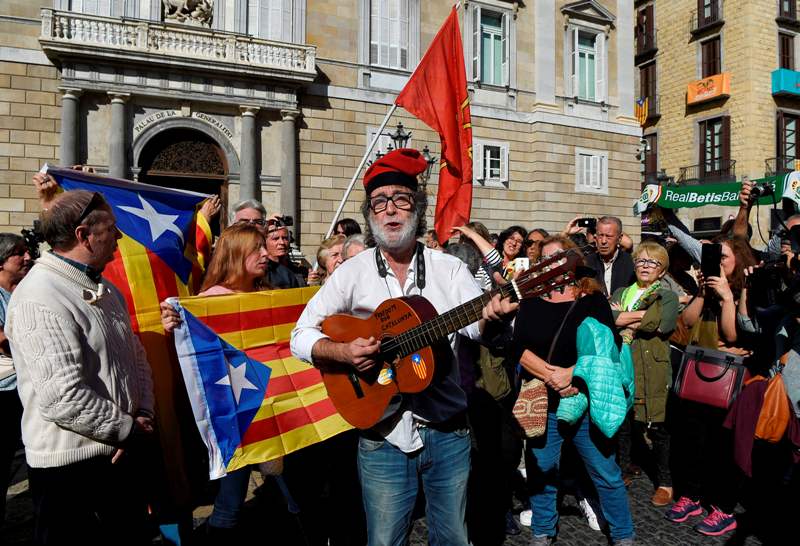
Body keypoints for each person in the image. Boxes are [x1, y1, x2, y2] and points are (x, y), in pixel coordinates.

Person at [290, 148, 516, 546]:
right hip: (383, 432)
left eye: (401, 200)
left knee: (452, 539)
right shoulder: (352, 274)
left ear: (417, 209)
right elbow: (301, 334)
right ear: (370, 214)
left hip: (448, 431)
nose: (390, 210)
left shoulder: (449, 269)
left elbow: (478, 329)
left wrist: (493, 314)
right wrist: (342, 353)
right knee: (385, 540)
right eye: (380, 202)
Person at [6, 190, 155, 545]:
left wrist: (145, 411)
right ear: (84, 235)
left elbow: (135, 357)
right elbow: (63, 398)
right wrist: (128, 430)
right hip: (71, 470)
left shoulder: (106, 288)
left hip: (120, 456)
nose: (119, 237)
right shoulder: (40, 295)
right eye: (112, 228)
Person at [512, 235, 635, 546]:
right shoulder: (530, 301)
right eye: (547, 259)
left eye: (561, 257)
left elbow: (609, 348)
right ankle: (542, 532)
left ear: (574, 262)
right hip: (543, 400)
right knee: (541, 472)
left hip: (586, 398)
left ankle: (623, 535)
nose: (554, 264)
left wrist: (572, 375)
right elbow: (518, 348)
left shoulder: (592, 300)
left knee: (605, 472)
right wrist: (554, 376)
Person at [160, 223, 270, 538]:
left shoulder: (267, 294)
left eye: (264, 246)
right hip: (232, 415)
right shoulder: (210, 300)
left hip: (266, 408)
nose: (265, 254)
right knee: (231, 500)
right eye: (256, 248)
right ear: (236, 254)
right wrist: (175, 324)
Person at [666, 236, 757, 537]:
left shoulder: (745, 292)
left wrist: (728, 297)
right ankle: (691, 496)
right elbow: (688, 321)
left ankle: (723, 508)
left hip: (729, 382)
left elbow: (732, 337)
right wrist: (704, 293)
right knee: (692, 441)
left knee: (722, 447)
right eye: (714, 258)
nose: (718, 264)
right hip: (698, 376)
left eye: (724, 258)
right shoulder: (705, 289)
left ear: (739, 261)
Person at [610, 242, 678, 507]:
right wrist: (639, 317)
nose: (646, 266)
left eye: (653, 263)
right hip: (622, 363)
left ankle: (665, 482)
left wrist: (624, 316)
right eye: (641, 261)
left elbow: (663, 325)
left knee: (658, 427)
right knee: (624, 423)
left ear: (662, 271)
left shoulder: (667, 295)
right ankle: (623, 468)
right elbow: (609, 318)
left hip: (653, 367)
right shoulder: (621, 290)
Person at [0, 234, 31, 528]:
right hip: (4, 392)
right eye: (18, 254)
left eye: (26, 251)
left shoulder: (27, 290)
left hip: (29, 389)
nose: (27, 258)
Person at [568, 216, 635, 297]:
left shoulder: (631, 263)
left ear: (619, 238)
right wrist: (565, 233)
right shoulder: (586, 263)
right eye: (600, 235)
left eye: (608, 236)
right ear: (595, 237)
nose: (603, 241)